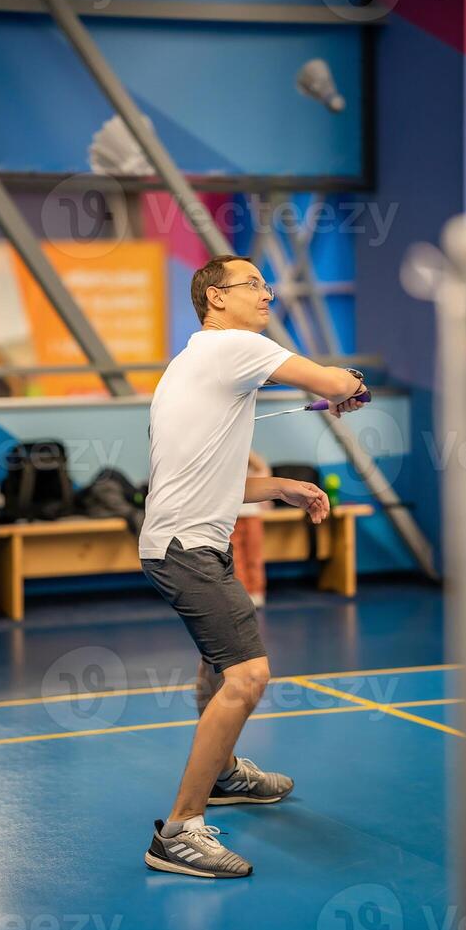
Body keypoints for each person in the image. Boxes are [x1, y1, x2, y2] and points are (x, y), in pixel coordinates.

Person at [139, 254, 368, 879]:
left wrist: (282, 488)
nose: (267, 294)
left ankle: (227, 774)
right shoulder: (234, 346)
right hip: (188, 548)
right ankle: (180, 831)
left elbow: (206, 474)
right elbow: (331, 382)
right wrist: (351, 382)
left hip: (183, 540)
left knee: (219, 663)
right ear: (215, 297)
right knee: (247, 675)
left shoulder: (196, 363)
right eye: (254, 284)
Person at [231, 450, 272, 608]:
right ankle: (243, 594)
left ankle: (257, 592)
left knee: (254, 555)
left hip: (252, 516)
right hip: (232, 517)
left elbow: (263, 469)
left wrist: (245, 450)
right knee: (236, 558)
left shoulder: (254, 471)